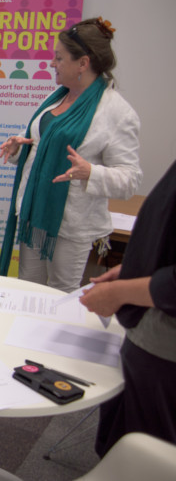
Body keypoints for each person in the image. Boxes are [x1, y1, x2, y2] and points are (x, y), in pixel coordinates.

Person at [0, 18, 142, 292]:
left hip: (71, 226)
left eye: (59, 58)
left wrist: (91, 172)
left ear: (83, 63)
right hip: (34, 216)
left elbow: (130, 179)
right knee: (28, 290)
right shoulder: (58, 97)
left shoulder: (117, 113)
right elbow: (42, 147)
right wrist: (21, 149)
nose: (52, 63)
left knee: (59, 296)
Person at [79, 159, 176, 457]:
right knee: (119, 445)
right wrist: (132, 269)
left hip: (164, 346)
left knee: (145, 457)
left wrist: (121, 292)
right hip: (146, 330)